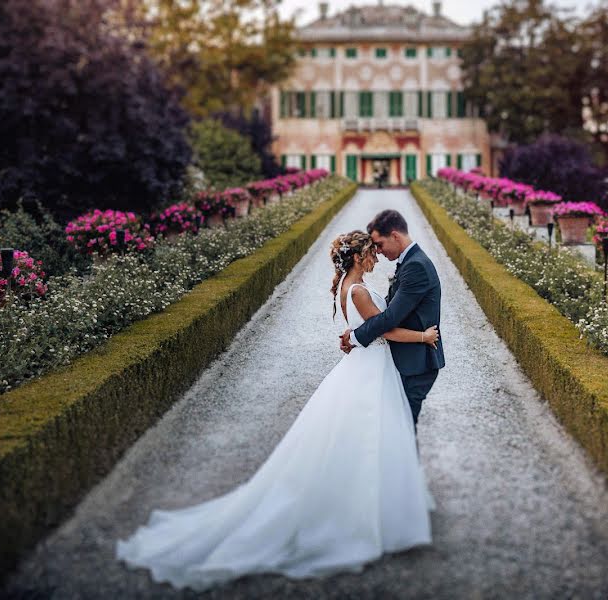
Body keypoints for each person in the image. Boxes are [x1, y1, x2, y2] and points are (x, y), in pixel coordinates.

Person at [116, 230, 438, 591]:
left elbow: (366, 329)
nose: (377, 256)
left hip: (366, 366)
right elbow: (386, 330)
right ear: (360, 257)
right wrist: (423, 337)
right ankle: (359, 517)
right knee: (366, 436)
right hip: (370, 371)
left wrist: (353, 337)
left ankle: (376, 510)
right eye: (372, 252)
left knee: (361, 438)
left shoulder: (350, 286)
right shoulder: (359, 290)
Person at [341, 209, 445, 430]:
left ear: (395, 236)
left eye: (379, 244)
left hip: (416, 363)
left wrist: (357, 336)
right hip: (406, 359)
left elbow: (389, 318)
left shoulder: (416, 266)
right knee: (395, 428)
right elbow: (389, 308)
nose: (378, 251)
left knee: (402, 428)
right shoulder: (409, 262)